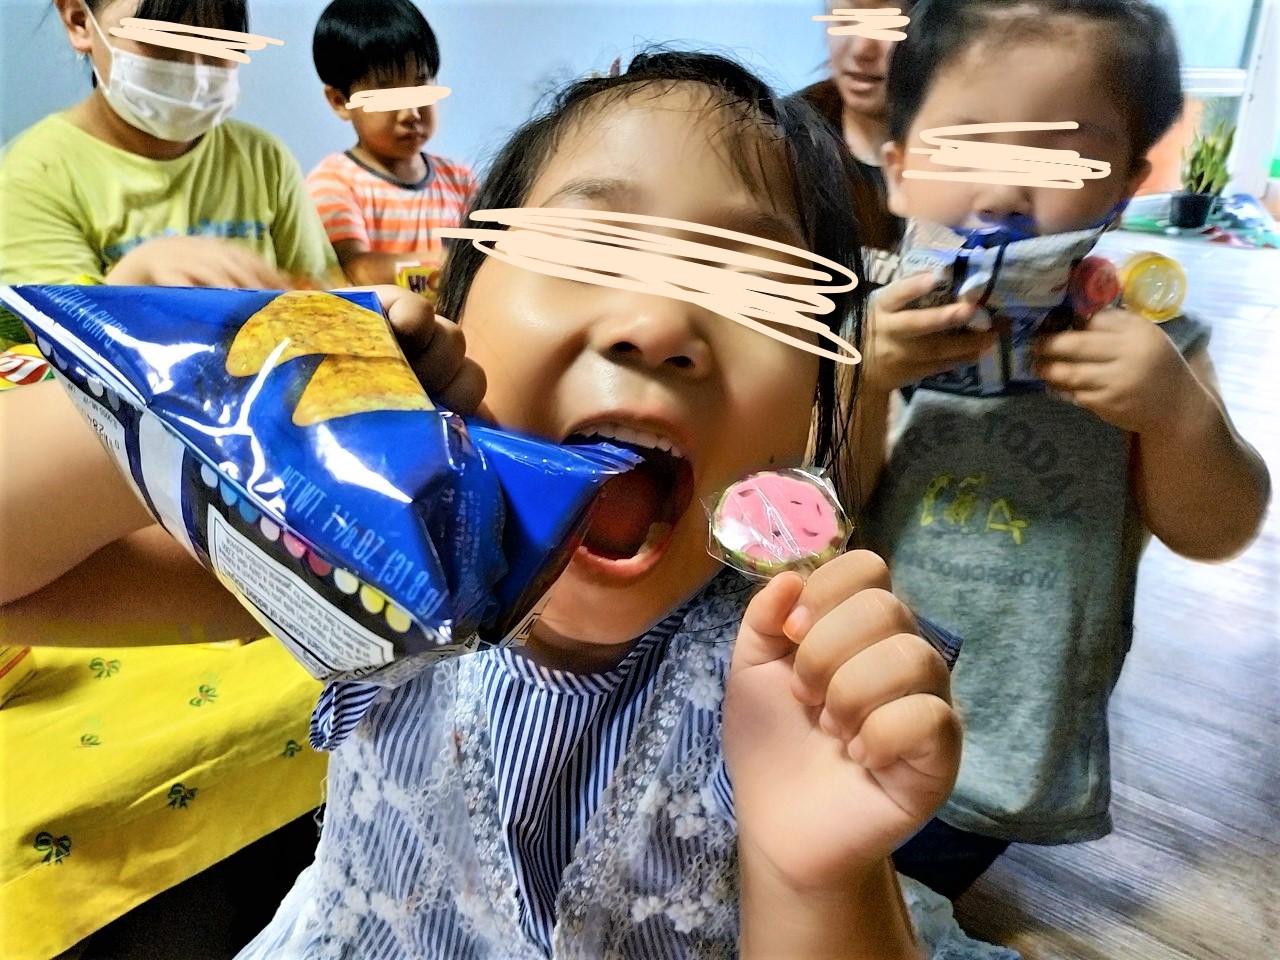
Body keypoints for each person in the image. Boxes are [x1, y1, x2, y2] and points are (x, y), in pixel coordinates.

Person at [2, 51, 1020, 959]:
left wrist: (816, 880)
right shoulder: (359, 555)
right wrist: (181, 392)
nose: (659, 323)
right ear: (455, 311)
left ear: (807, 419)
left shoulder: (792, 686)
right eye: (590, 253)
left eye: (753, 289)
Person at [860, 0, 1271, 899]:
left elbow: (1218, 529)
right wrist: (867, 383)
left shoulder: (1158, 348)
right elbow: (818, 511)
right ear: (898, 170)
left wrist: (1175, 415)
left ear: (1124, 184)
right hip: (846, 698)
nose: (1006, 194)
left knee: (911, 896)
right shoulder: (869, 329)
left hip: (1004, 744)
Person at [0, 0, 338, 313]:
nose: (197, 73)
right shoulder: (32, 177)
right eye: (162, 38)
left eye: (220, 42)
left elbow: (323, 301)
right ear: (79, 21)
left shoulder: (264, 160)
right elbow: (50, 344)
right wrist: (135, 275)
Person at [306, 0, 478, 286]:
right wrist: (452, 263)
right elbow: (356, 270)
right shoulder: (333, 182)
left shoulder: (460, 180)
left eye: (421, 85)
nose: (411, 113)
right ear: (340, 101)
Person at [793, 0, 917, 258]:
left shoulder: (966, 150)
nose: (861, 49)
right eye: (844, 20)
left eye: (888, 26)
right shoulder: (783, 139)